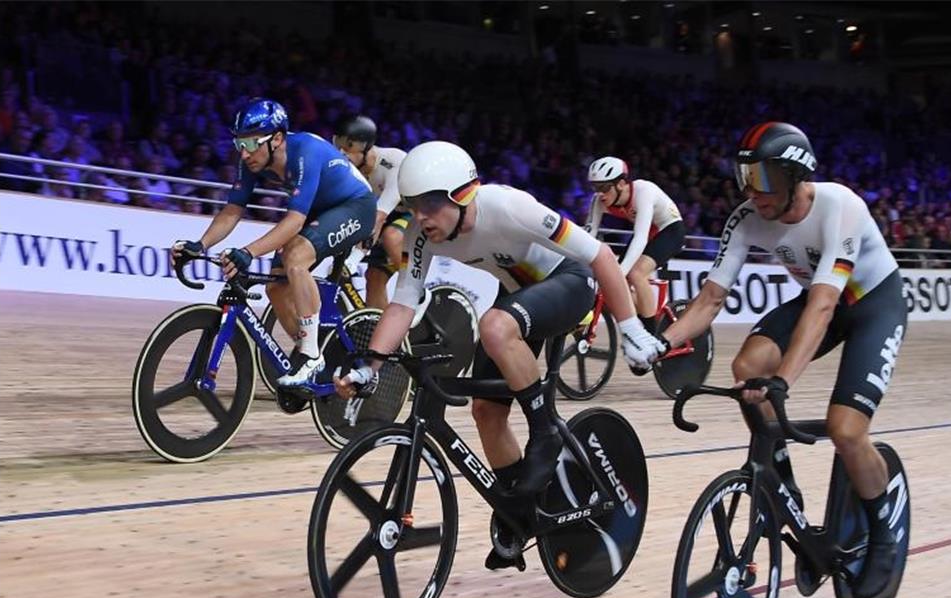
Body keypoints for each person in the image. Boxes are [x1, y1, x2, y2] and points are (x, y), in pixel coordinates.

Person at [334, 141, 663, 569]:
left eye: (431, 205)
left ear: (463, 194)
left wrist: (632, 326)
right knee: (486, 412)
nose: (420, 217)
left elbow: (599, 255)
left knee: (493, 324)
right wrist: (370, 363)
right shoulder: (421, 236)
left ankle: (544, 432)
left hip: (569, 281)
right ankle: (520, 509)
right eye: (413, 205)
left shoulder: (508, 206)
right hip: (519, 296)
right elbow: (402, 303)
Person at [647, 122, 907, 598]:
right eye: (745, 176)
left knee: (847, 430)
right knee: (747, 368)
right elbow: (708, 300)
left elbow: (825, 305)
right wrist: (662, 344)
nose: (752, 191)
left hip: (872, 304)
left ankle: (883, 535)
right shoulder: (747, 216)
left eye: (764, 178)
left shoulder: (840, 207)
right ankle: (780, 476)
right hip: (821, 300)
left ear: (796, 177)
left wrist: (784, 380)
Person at [170, 98, 376, 390]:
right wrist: (200, 245)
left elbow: (293, 221)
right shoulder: (252, 160)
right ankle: (311, 350)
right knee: (276, 286)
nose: (244, 153)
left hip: (356, 206)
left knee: (295, 257)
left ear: (277, 139)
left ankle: (311, 356)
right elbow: (232, 210)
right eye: (238, 144)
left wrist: (248, 252)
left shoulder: (305, 151)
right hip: (321, 210)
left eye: (252, 143)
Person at [583, 157, 686, 332]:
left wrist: (619, 274)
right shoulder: (598, 201)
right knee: (614, 280)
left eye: (604, 187)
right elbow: (588, 234)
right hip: (647, 232)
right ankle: (642, 319)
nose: (599, 194)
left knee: (635, 273)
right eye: (595, 187)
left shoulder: (644, 191)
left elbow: (640, 238)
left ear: (621, 184)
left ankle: (650, 335)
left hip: (669, 230)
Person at [333, 114, 410, 309]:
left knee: (391, 236)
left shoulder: (393, 162)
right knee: (374, 277)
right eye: (338, 147)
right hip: (393, 214)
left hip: (419, 212)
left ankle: (415, 288)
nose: (342, 154)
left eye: (348, 148)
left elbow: (379, 217)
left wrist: (354, 260)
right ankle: (379, 332)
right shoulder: (351, 172)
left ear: (365, 148)